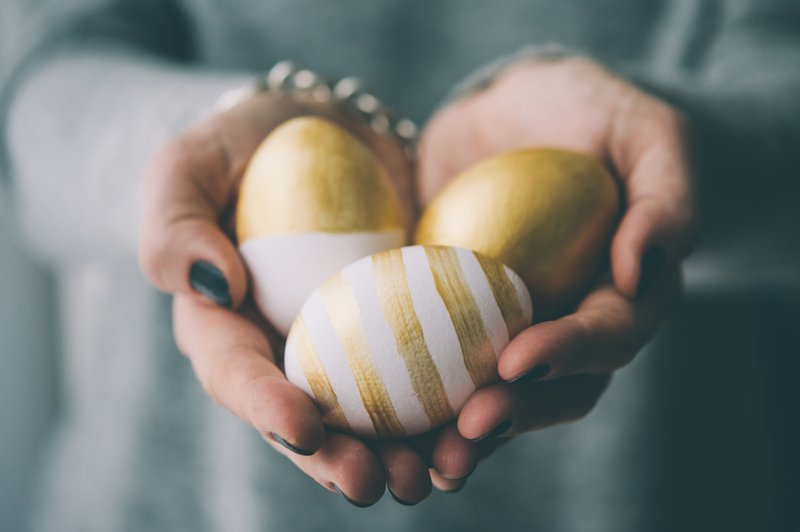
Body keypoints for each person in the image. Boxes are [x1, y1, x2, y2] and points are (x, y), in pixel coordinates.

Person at [1, 1, 798, 531]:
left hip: (651, 493)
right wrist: (195, 155)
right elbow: (33, 75)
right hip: (168, 502)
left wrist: (674, 156)